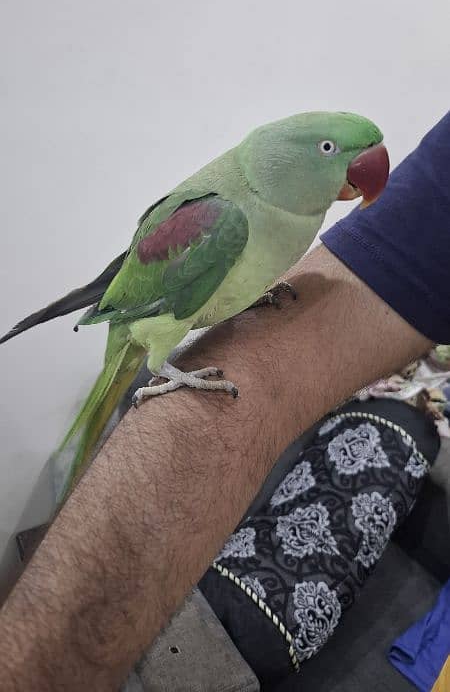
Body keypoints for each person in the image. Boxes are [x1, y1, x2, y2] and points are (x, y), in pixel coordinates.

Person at [0, 111, 448, 692]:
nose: (352, 170)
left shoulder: (296, 222)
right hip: (146, 331)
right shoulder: (223, 217)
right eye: (330, 149)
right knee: (106, 420)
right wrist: (172, 376)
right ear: (281, 155)